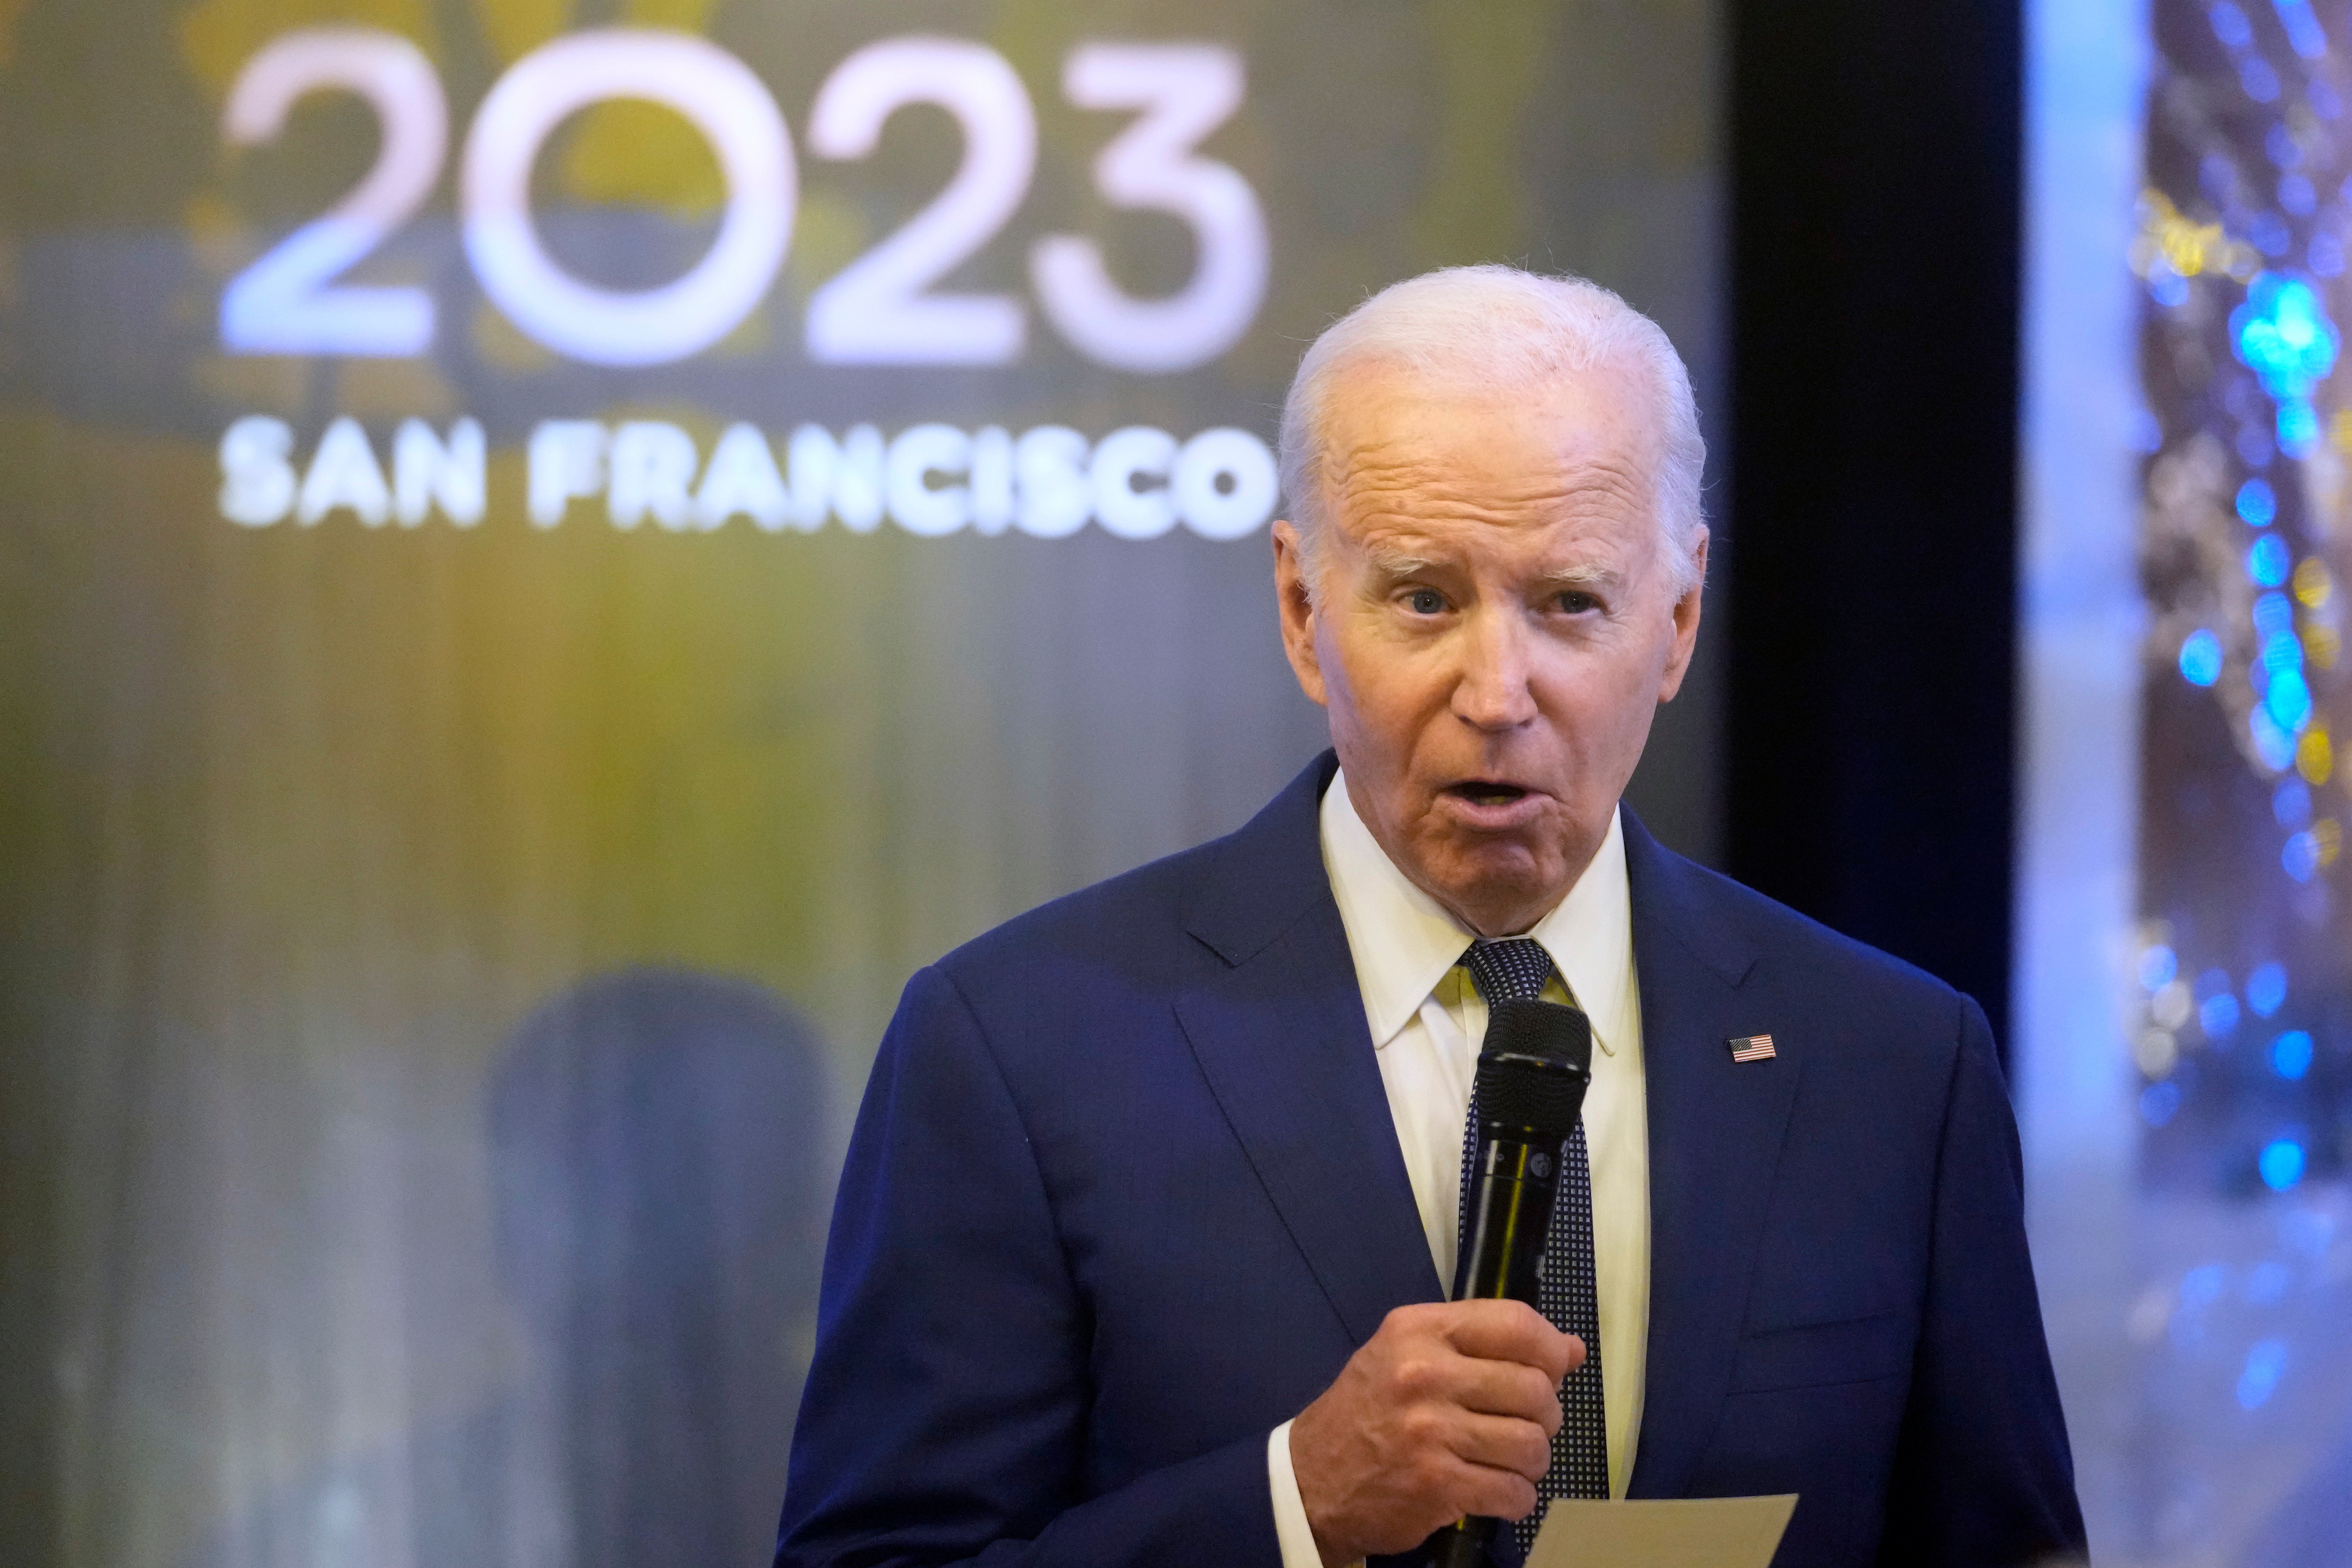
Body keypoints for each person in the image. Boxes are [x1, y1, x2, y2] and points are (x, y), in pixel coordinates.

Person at [774, 266, 2086, 1568]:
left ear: (1677, 621)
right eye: (1423, 599)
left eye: (1569, 602)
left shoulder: (1895, 1063)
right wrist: (1294, 1502)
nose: (1497, 691)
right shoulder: (1020, 1047)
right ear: (1303, 611)